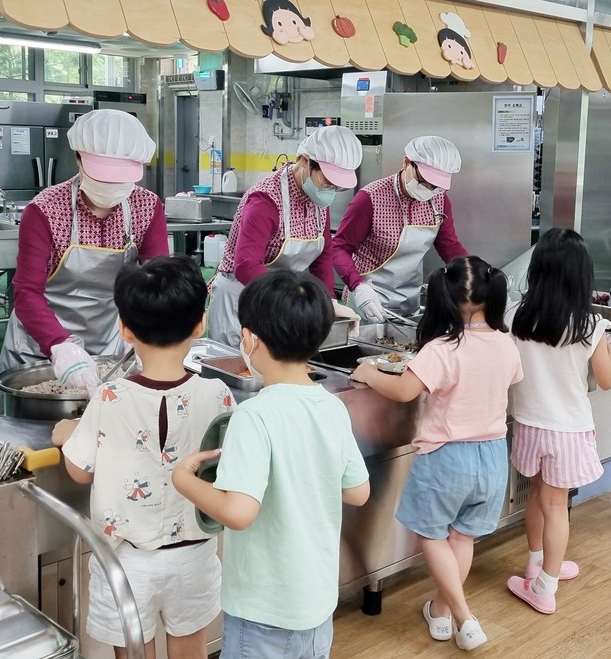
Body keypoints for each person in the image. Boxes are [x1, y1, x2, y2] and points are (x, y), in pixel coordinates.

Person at [173, 270, 370, 659]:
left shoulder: (255, 415)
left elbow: (238, 512)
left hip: (263, 611)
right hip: (316, 606)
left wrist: (184, 480)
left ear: (250, 339)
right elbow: (358, 491)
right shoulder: (331, 405)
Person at [51, 255, 232, 659]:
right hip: (195, 555)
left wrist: (67, 436)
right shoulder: (218, 393)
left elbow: (79, 473)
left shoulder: (110, 397)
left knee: (134, 651)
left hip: (128, 561)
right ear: (200, 325)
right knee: (190, 648)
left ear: (125, 329)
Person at [351, 256, 522, 652]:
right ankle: (441, 612)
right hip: (493, 456)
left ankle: (463, 616)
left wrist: (367, 373)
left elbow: (404, 391)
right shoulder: (505, 343)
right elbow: (509, 380)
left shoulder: (443, 348)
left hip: (448, 457)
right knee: (462, 538)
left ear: (444, 298)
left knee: (430, 536)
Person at [0, 109, 169, 395]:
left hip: (110, 346)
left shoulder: (147, 207)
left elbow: (159, 280)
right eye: (104, 175)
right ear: (78, 158)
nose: (112, 185)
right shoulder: (45, 210)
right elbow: (26, 292)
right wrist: (59, 346)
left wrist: (146, 330)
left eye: (121, 176)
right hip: (41, 348)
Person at [505, 228, 611, 614]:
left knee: (537, 496)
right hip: (566, 428)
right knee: (556, 505)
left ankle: (537, 563)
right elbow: (606, 382)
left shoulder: (515, 316)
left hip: (527, 423)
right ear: (581, 274)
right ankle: (545, 586)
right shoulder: (590, 325)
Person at [207, 126, 362, 348]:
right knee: (241, 369)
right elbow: (246, 265)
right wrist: (292, 300)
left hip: (284, 301)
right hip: (242, 298)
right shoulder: (266, 199)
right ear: (306, 161)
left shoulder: (317, 198)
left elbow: (323, 256)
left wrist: (328, 301)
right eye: (328, 181)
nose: (331, 189)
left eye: (338, 187)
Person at [331, 136, 467, 323]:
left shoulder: (439, 200)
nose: (429, 189)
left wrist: (475, 275)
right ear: (406, 162)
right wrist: (358, 287)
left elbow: (450, 247)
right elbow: (339, 247)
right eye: (424, 181)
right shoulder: (370, 198)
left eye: (437, 186)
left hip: (409, 301)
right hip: (369, 301)